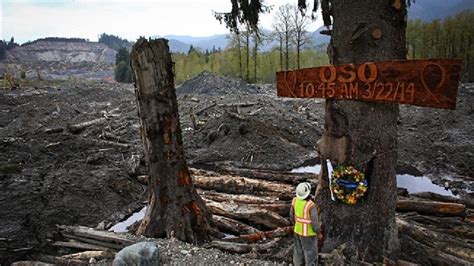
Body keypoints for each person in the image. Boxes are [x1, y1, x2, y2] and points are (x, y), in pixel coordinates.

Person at [290, 182, 322, 266]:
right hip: (309, 234)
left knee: (298, 250)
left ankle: (297, 264)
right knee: (310, 253)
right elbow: (315, 223)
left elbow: (291, 216)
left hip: (297, 230)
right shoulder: (311, 205)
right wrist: (319, 233)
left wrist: (295, 225)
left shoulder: (294, 201)